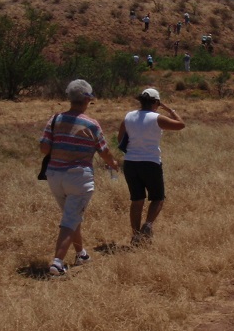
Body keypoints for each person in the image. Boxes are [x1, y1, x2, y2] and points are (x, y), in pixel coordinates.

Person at [39, 80, 119, 276]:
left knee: (71, 216)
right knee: (70, 219)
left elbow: (44, 148)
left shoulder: (55, 119)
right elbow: (104, 151)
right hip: (78, 177)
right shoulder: (91, 124)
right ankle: (57, 263)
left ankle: (81, 254)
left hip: (54, 175)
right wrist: (113, 164)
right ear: (87, 99)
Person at [118, 88, 185, 245]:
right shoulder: (157, 118)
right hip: (150, 162)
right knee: (158, 197)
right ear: (156, 102)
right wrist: (169, 110)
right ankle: (147, 226)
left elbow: (120, 139)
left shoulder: (128, 116)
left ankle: (135, 235)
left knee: (137, 200)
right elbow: (181, 125)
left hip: (130, 163)